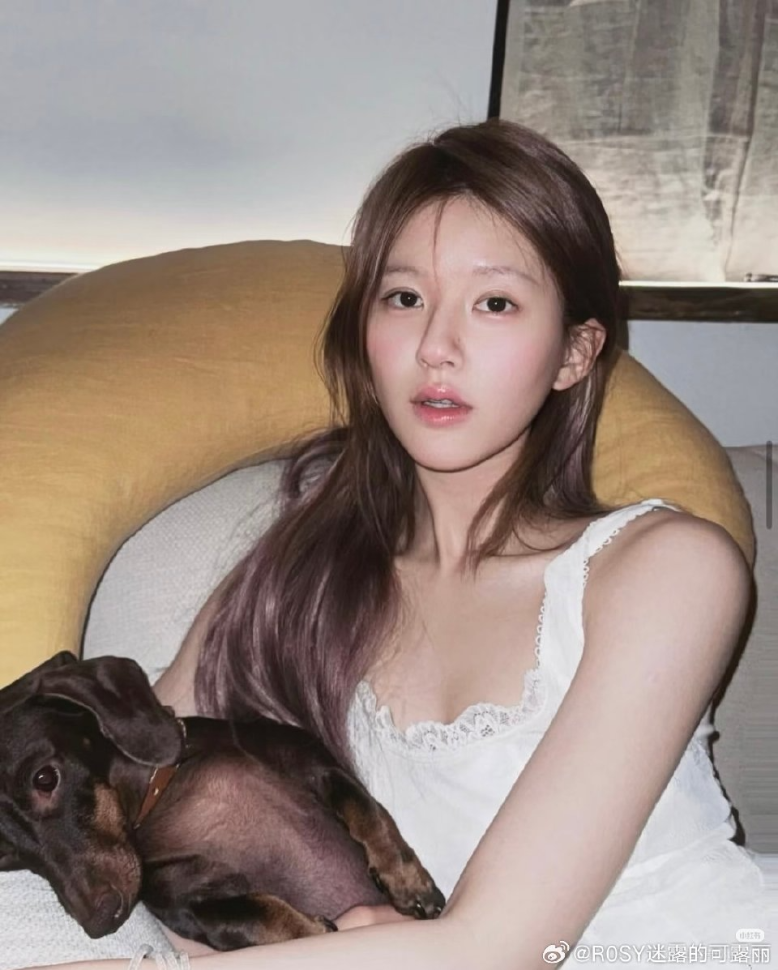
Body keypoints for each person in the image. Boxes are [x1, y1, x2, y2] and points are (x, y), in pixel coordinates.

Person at [37, 120, 774, 970]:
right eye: (404, 298)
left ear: (574, 353)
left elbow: (502, 947)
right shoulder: (292, 581)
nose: (435, 348)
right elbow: (133, 796)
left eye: (495, 303)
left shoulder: (667, 569)